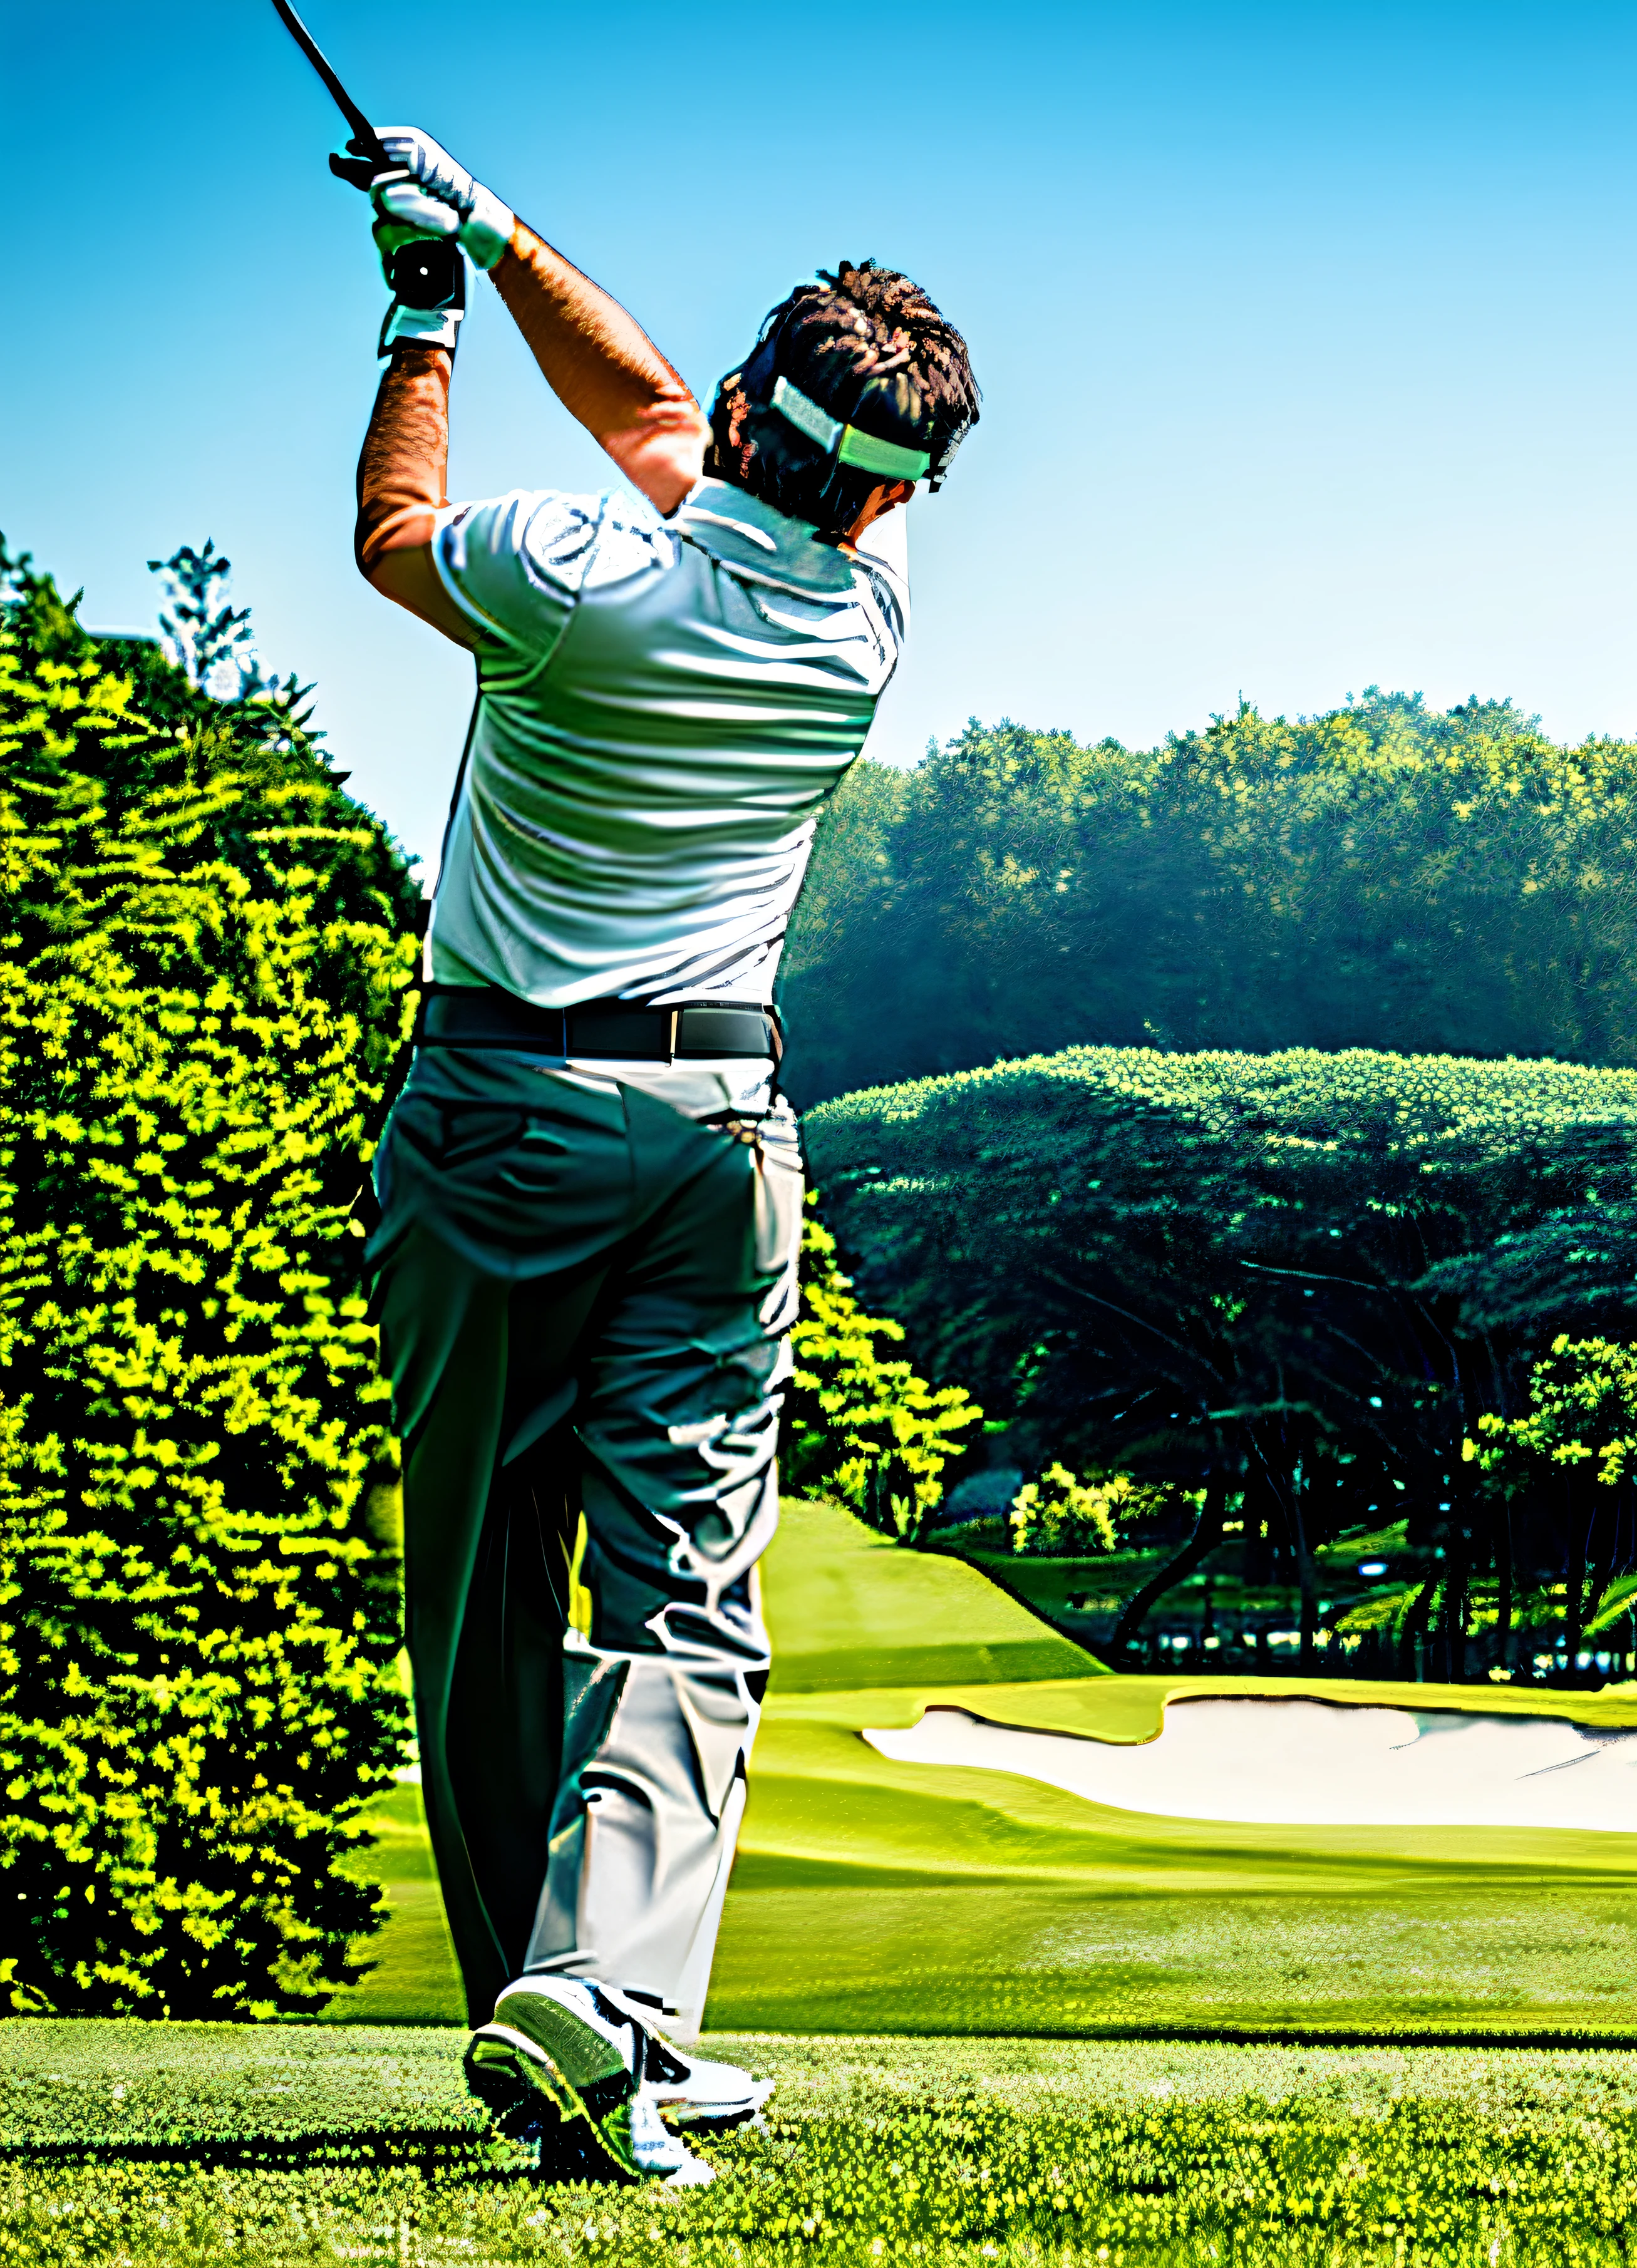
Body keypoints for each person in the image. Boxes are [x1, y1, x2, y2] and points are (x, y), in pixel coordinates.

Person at [348, 126, 978, 2187]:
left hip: (492, 1122)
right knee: (685, 1587)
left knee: (486, 1591)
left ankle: (556, 2009)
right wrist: (510, 230)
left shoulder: (565, 573)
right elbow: (652, 410)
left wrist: (432, 300)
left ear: (736, 419)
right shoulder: (867, 617)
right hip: (718, 1132)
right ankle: (607, 2009)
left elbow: (399, 528)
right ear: (888, 492)